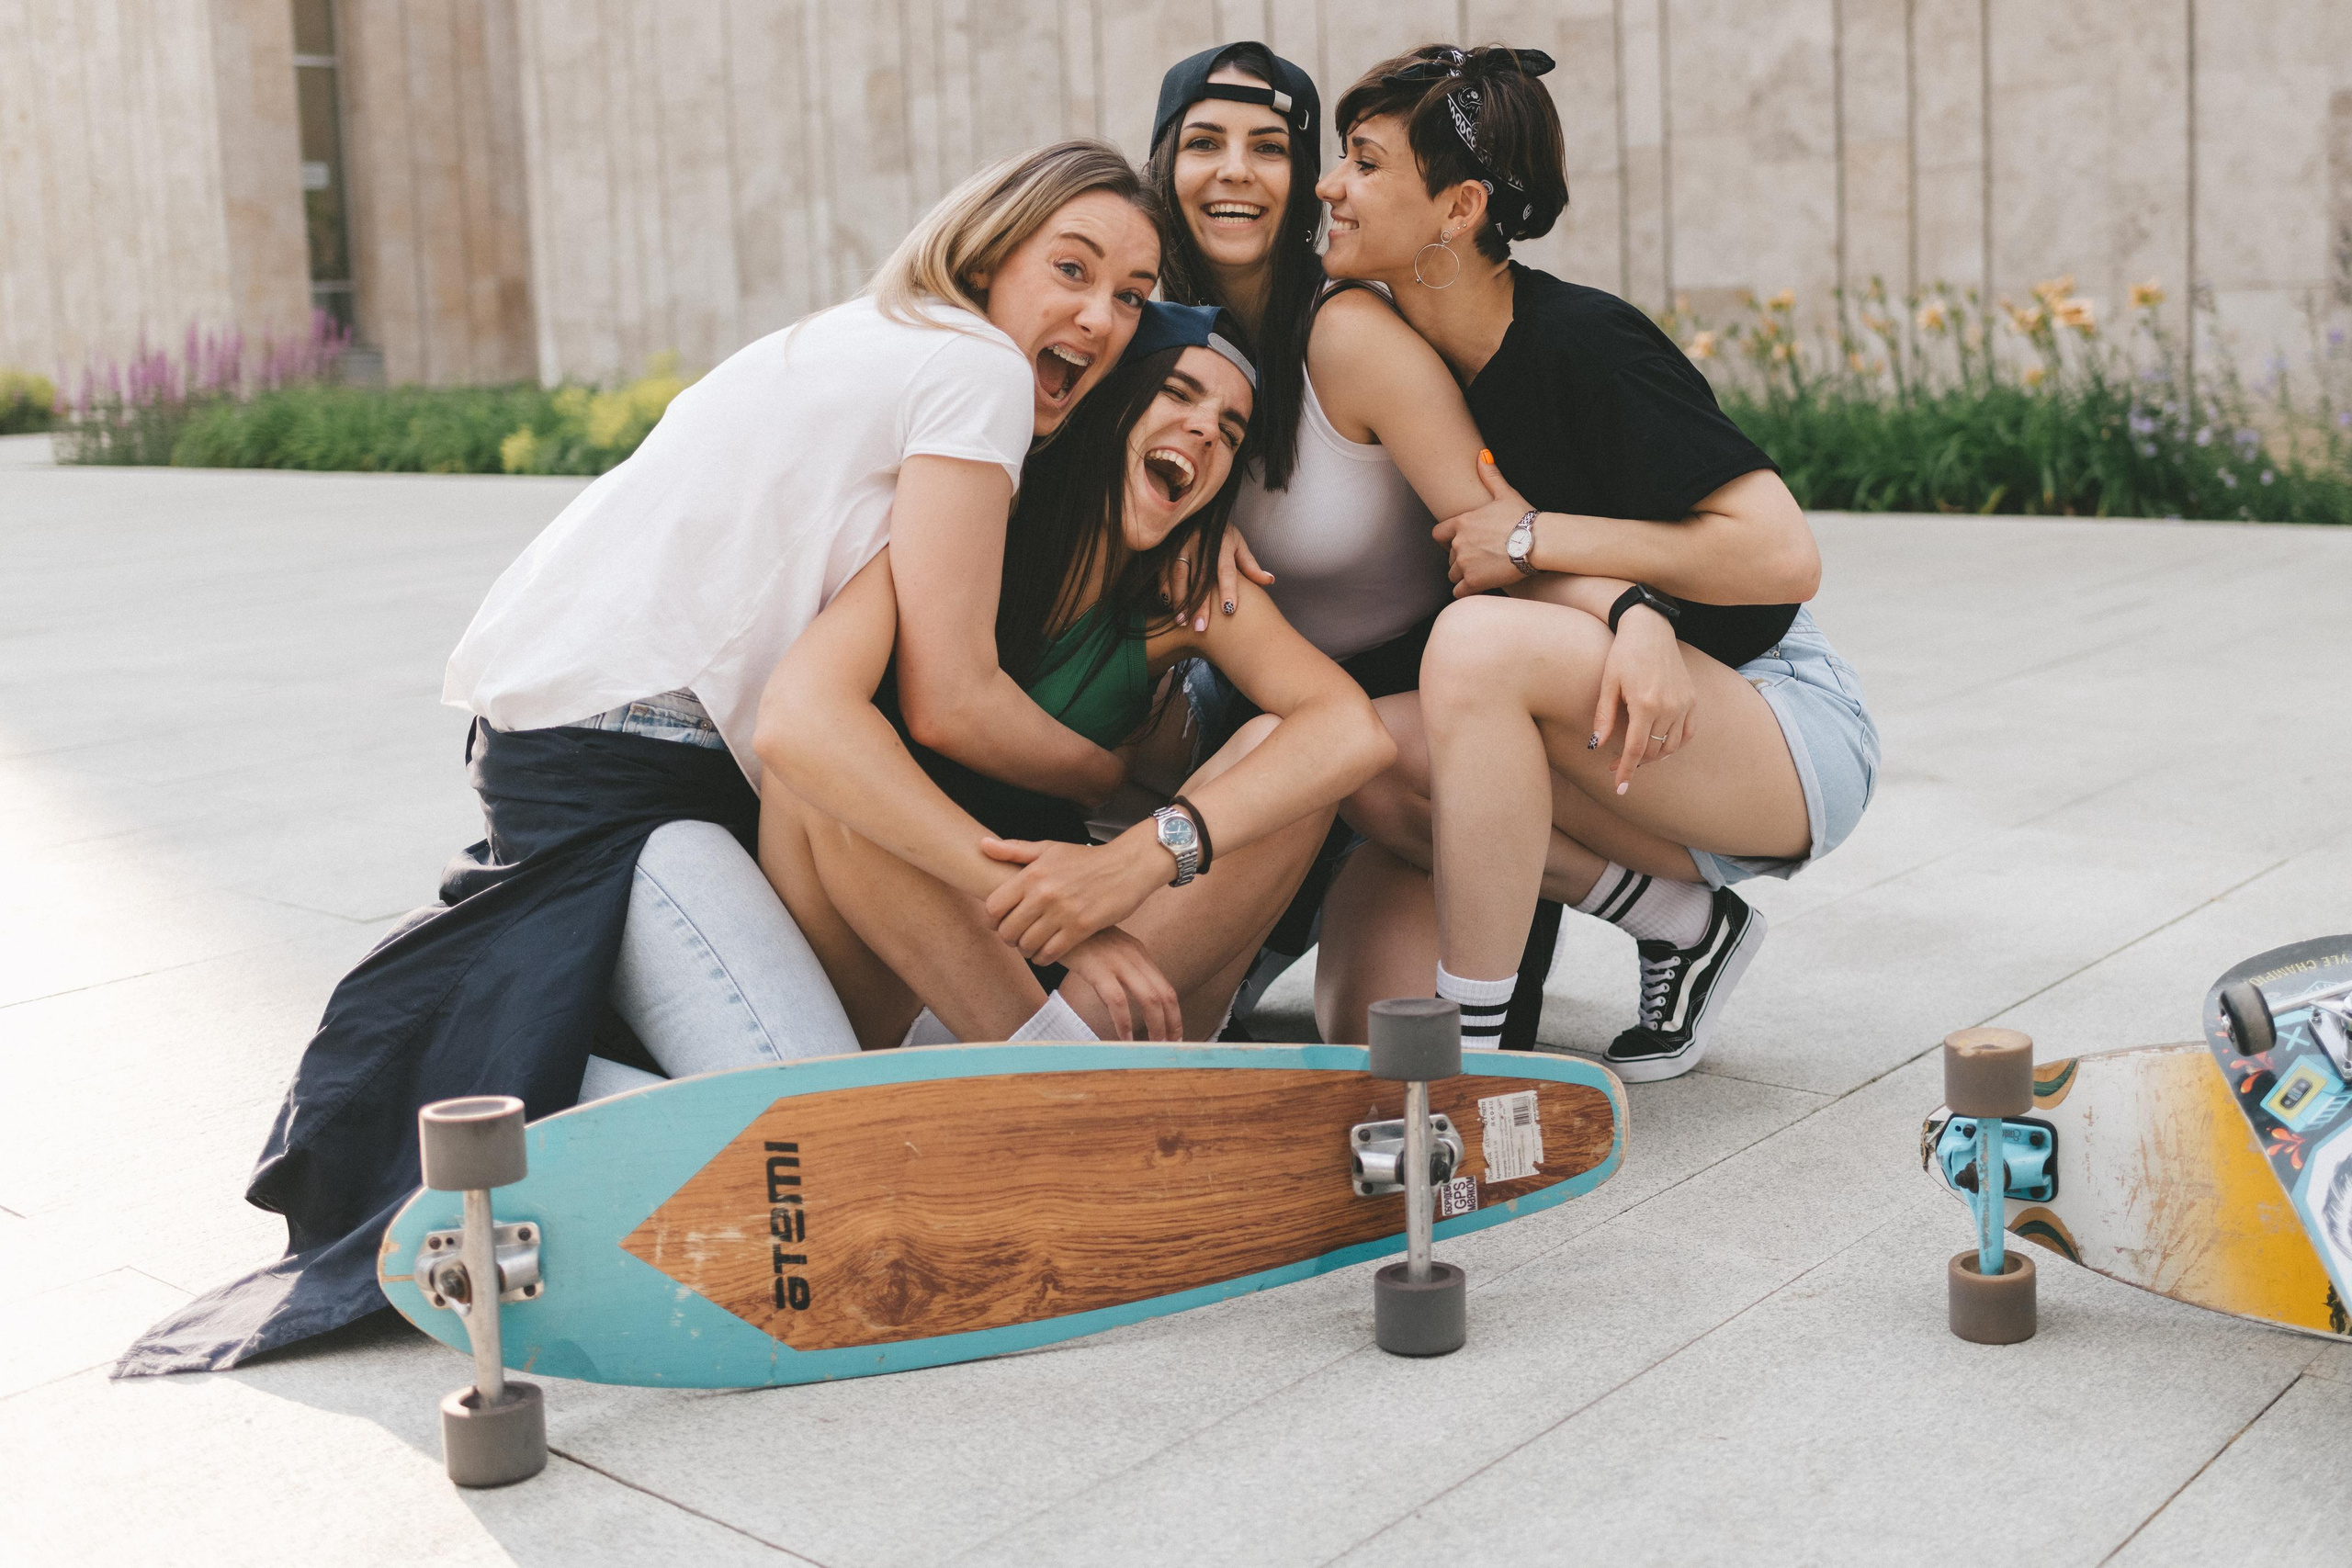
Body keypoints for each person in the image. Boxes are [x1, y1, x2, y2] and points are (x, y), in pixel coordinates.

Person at [119, 141, 1170, 1376]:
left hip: (588, 755)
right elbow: (954, 697)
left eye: (1136, 294)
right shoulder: (974, 368)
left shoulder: (866, 341)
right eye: (1074, 268)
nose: (1101, 316)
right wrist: (1125, 804)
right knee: (818, 1148)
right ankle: (497, 1095)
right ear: (991, 255)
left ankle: (522, 1048)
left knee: (844, 1080)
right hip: (629, 776)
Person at [1316, 45, 1880, 1077]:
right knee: (1368, 756)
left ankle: (1467, 1065)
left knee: (1478, 643)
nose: (1328, 187)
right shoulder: (1419, 360)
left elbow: (1782, 554)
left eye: (1363, 164)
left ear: (1458, 208)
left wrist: (1539, 540)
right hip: (1632, 733)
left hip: (1780, 726)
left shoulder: (1584, 342)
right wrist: (1629, 608)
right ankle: (1681, 923)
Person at [756, 303, 1396, 1044]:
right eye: (1180, 394)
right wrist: (1074, 816)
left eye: (1229, 431)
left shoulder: (1184, 588)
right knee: (824, 768)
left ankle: (1069, 1070)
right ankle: (1056, 1070)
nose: (1204, 432)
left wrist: (1140, 858)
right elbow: (795, 722)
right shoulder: (971, 517)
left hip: (1074, 978)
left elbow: (1351, 731)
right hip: (908, 964)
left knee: (1284, 758)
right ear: (1109, 404)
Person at [1144, 42, 1555, 1045]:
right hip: (1246, 711)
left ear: (1303, 179)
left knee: (1386, 1045)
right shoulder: (1135, 328)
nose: (1235, 170)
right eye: (1204, 142)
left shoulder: (1348, 335)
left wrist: (1629, 622)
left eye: (1269, 147)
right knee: (1159, 1008)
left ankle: (1652, 911)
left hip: (1406, 742)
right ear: (1164, 165)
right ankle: (1262, 927)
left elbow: (1499, 536)